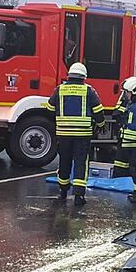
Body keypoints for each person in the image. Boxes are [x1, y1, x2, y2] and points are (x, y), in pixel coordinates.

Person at [45, 62, 105, 206]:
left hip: (63, 134)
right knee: (80, 162)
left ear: (69, 75)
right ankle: (79, 196)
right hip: (82, 134)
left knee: (64, 161)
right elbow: (98, 111)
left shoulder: (59, 89)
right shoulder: (89, 90)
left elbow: (49, 108)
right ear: (84, 76)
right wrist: (101, 124)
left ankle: (63, 191)